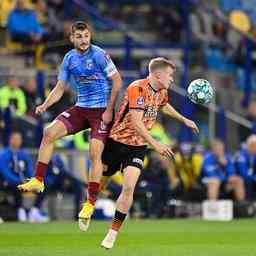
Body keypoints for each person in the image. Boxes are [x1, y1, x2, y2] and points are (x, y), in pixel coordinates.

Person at [78, 57, 199, 249]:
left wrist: (184, 119)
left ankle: (112, 233)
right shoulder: (137, 88)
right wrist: (157, 144)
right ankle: (90, 203)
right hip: (115, 142)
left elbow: (164, 105)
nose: (172, 79)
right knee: (102, 182)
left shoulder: (162, 91)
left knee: (128, 187)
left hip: (137, 147)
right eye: (170, 75)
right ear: (158, 74)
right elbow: (136, 122)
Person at [17, 21, 122, 222]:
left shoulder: (99, 54)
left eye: (86, 36)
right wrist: (45, 105)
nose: (83, 40)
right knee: (48, 133)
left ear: (89, 36)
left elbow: (117, 81)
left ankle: (90, 202)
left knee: (94, 153)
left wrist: (110, 110)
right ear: (72, 38)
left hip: (101, 111)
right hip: (81, 109)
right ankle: (38, 180)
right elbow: (60, 86)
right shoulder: (69, 58)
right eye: (79, 36)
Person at [0, 132, 48, 222]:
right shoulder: (3, 155)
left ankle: (34, 210)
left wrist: (29, 181)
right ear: (10, 140)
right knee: (16, 186)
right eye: (15, 139)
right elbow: (6, 173)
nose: (17, 141)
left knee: (42, 185)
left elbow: (30, 170)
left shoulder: (24, 155)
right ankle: (20, 210)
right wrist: (20, 181)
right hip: (7, 183)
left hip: (23, 182)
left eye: (19, 139)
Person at [234, 135, 256, 199]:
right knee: (246, 181)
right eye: (254, 146)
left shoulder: (254, 155)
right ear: (249, 146)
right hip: (240, 178)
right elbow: (243, 173)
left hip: (251, 178)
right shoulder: (241, 155)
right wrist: (254, 178)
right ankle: (244, 205)